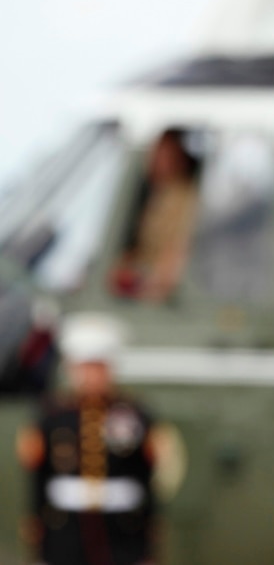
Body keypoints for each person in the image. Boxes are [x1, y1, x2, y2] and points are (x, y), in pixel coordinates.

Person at [17, 311, 159, 565]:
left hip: (122, 532)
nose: (92, 376)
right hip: (66, 532)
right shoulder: (53, 416)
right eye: (85, 367)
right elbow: (39, 473)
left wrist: (149, 533)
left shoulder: (133, 414)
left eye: (99, 367)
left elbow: (145, 473)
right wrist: (36, 520)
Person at [109, 128, 201, 302]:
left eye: (163, 153)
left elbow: (178, 252)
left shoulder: (184, 197)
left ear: (179, 157)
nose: (154, 159)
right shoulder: (157, 194)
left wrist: (142, 278)